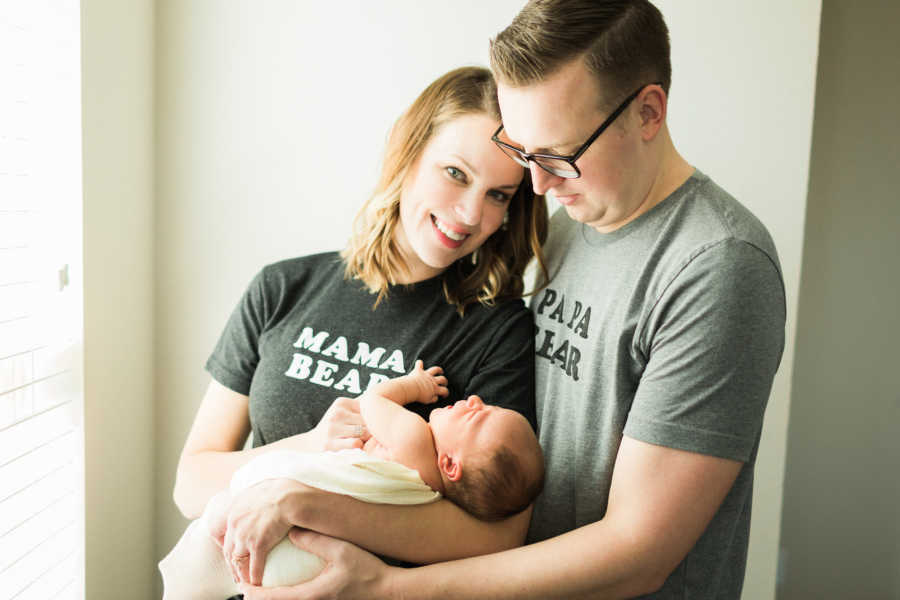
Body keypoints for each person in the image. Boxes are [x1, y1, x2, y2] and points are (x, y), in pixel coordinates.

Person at [233, 1, 787, 599]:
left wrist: (387, 588)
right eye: (528, 155)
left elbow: (637, 553)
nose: (540, 185)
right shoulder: (576, 225)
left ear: (648, 111)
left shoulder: (719, 266)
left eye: (559, 154)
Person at [171, 65, 550, 589]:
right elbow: (191, 482)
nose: (468, 215)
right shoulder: (282, 287)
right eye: (456, 173)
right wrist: (310, 445)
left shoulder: (497, 329)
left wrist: (306, 505)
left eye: (499, 195)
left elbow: (498, 536)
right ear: (408, 152)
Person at [160, 362, 544, 598]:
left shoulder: (414, 440)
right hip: (315, 562)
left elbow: (373, 401)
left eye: (480, 416)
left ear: (450, 465)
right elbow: (189, 482)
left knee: (197, 560)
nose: (475, 400)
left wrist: (415, 385)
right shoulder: (430, 494)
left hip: (282, 536)